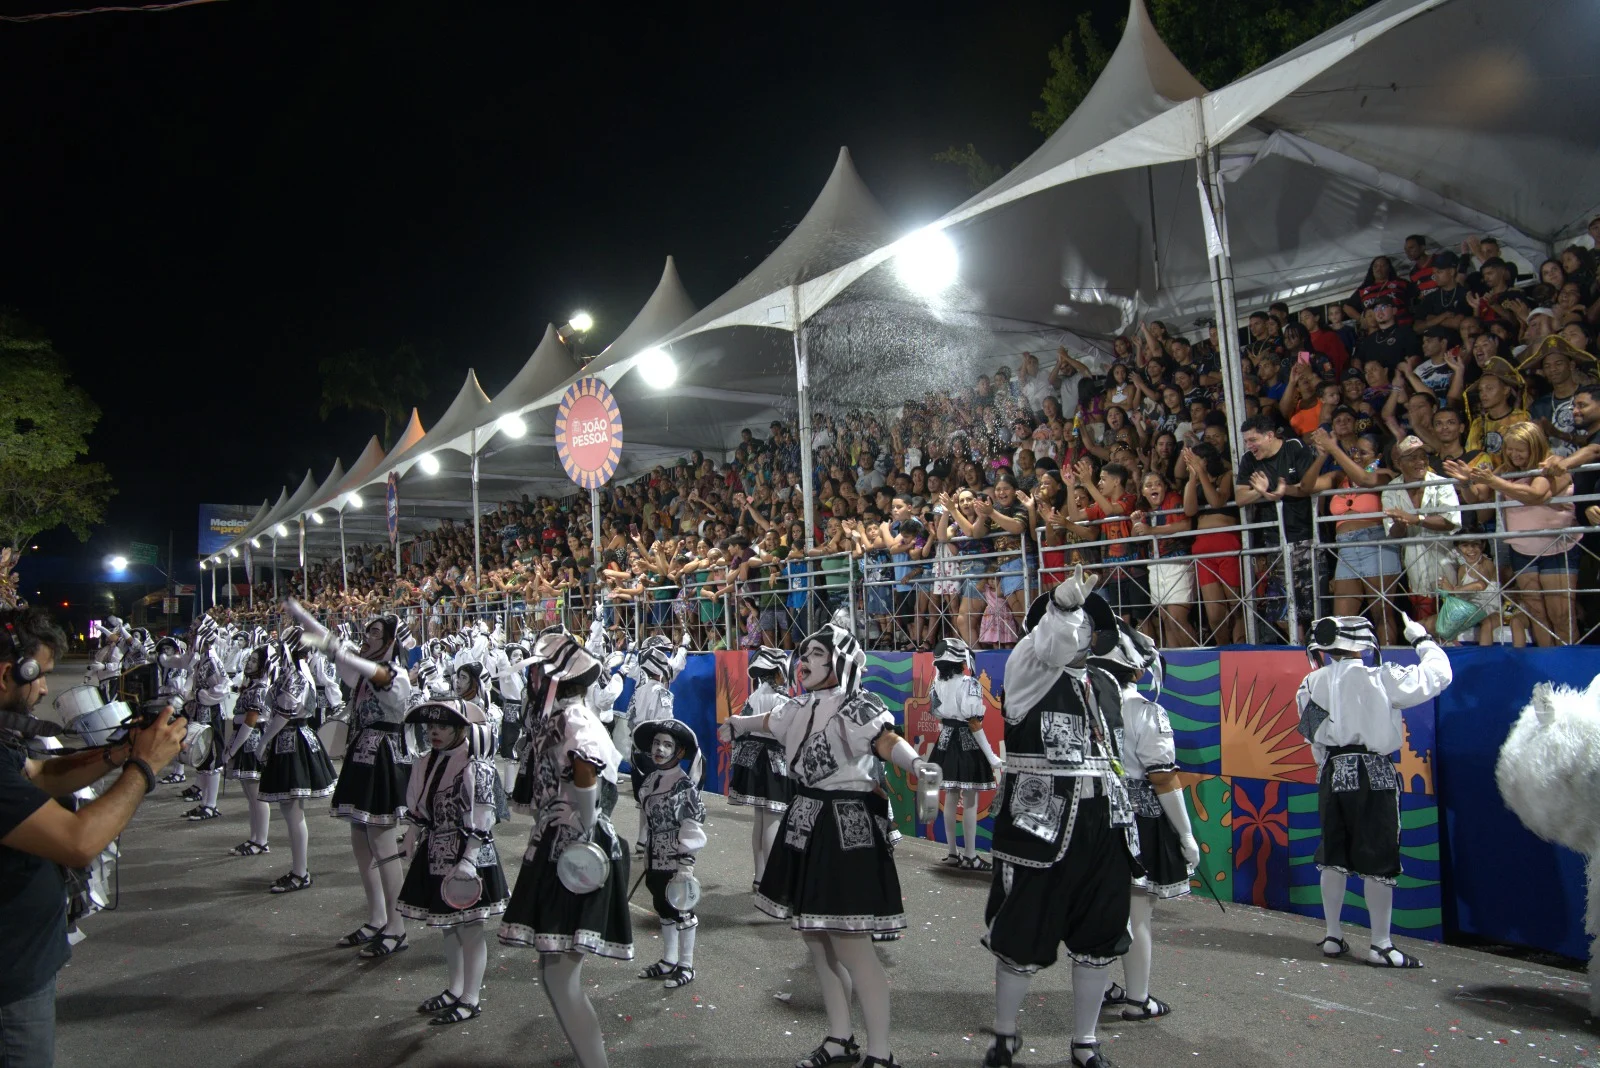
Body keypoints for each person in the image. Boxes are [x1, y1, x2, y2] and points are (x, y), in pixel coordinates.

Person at [721, 621, 935, 1068]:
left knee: (853, 944)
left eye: (818, 655)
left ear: (843, 661)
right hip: (805, 819)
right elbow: (765, 721)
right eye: (805, 655)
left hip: (845, 825)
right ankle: (840, 1038)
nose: (806, 663)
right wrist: (736, 724)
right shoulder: (796, 708)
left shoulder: (862, 708)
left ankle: (881, 1052)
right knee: (815, 938)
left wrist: (917, 764)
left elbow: (886, 741)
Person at [0, 605, 187, 1068]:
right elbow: (79, 841)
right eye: (39, 676)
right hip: (9, 985)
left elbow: (39, 774)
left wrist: (119, 754)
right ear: (8, 673)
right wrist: (144, 768)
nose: (44, 688)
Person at [981, 567, 1130, 1068]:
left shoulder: (1099, 683)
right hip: (1038, 824)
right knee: (1025, 925)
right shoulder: (1028, 664)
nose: (1085, 633)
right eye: (1077, 623)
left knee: (1100, 930)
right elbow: (1052, 640)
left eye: (1091, 626)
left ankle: (1086, 1041)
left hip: (1101, 821)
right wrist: (1062, 606)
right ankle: (1005, 1035)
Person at [499, 630, 632, 1068]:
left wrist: (582, 820)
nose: (531, 680)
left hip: (574, 845)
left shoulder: (573, 718)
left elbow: (586, 766)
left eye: (536, 672)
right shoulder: (563, 715)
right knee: (554, 968)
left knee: (559, 972)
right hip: (562, 839)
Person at [1296, 614, 1451, 968]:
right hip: (1374, 771)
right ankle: (1380, 944)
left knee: (1334, 852)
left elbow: (1310, 733)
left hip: (1333, 771)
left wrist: (1327, 764)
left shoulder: (1310, 682)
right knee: (1379, 856)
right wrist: (1422, 640)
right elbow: (1437, 677)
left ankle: (1333, 934)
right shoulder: (1380, 676)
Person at [293, 603, 417, 953]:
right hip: (361, 756)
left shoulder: (397, 675)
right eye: (366, 632)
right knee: (361, 844)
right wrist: (308, 621)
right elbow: (343, 657)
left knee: (383, 845)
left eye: (375, 633)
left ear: (392, 640)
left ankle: (398, 927)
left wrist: (334, 644)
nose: (367, 638)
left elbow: (371, 671)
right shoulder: (364, 674)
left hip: (384, 761)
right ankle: (377, 917)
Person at [1092, 623, 1199, 1023]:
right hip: (1136, 817)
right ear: (1136, 669)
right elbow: (1163, 778)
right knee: (1137, 914)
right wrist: (1186, 835)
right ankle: (1138, 999)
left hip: (1093, 812)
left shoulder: (1083, 706)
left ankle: (1102, 988)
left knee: (1100, 907)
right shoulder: (1145, 711)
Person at [397, 698, 509, 1025]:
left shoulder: (476, 766)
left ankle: (471, 997)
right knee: (449, 927)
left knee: (471, 928)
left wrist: (469, 860)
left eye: (442, 726)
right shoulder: (426, 761)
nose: (434, 731)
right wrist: (409, 835)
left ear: (462, 729)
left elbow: (483, 817)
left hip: (469, 854)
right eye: (430, 726)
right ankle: (454, 989)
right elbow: (420, 808)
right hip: (437, 850)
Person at [256, 626, 337, 894]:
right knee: (291, 811)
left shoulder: (296, 673)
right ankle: (299, 870)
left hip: (291, 740)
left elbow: (283, 714)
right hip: (296, 737)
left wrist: (265, 740)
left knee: (292, 811)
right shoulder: (298, 671)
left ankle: (300, 872)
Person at [632, 718, 708, 990]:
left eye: (667, 745)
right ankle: (669, 960)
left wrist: (685, 866)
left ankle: (686, 965)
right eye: (656, 743)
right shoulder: (651, 779)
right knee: (662, 908)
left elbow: (691, 825)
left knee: (682, 910)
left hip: (676, 861)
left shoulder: (684, 786)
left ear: (679, 752)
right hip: (653, 857)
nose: (659, 749)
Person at [925, 637, 1001, 871]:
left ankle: (952, 853)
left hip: (945, 742)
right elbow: (974, 723)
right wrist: (992, 757)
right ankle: (970, 855)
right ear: (962, 659)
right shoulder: (970, 684)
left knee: (949, 797)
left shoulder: (936, 684)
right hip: (966, 743)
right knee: (969, 800)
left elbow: (937, 714)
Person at [725, 646, 795, 888]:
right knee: (773, 820)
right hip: (773, 764)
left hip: (751, 762)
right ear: (778, 672)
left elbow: (739, 731)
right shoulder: (783, 700)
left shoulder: (752, 697)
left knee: (760, 820)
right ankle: (772, 882)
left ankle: (759, 876)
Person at [222, 640, 274, 857]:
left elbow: (250, 721)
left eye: (255, 660)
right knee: (250, 795)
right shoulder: (252, 686)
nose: (249, 663)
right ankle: (254, 838)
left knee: (257, 795)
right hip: (244, 739)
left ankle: (261, 840)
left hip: (251, 742)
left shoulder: (260, 688)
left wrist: (232, 749)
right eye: (250, 659)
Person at [177, 615, 230, 820]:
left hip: (211, 715)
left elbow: (223, 687)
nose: (191, 634)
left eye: (195, 632)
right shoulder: (204, 659)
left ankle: (210, 805)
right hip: (202, 713)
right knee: (203, 757)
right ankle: (205, 803)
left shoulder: (212, 661)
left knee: (211, 759)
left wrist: (200, 696)